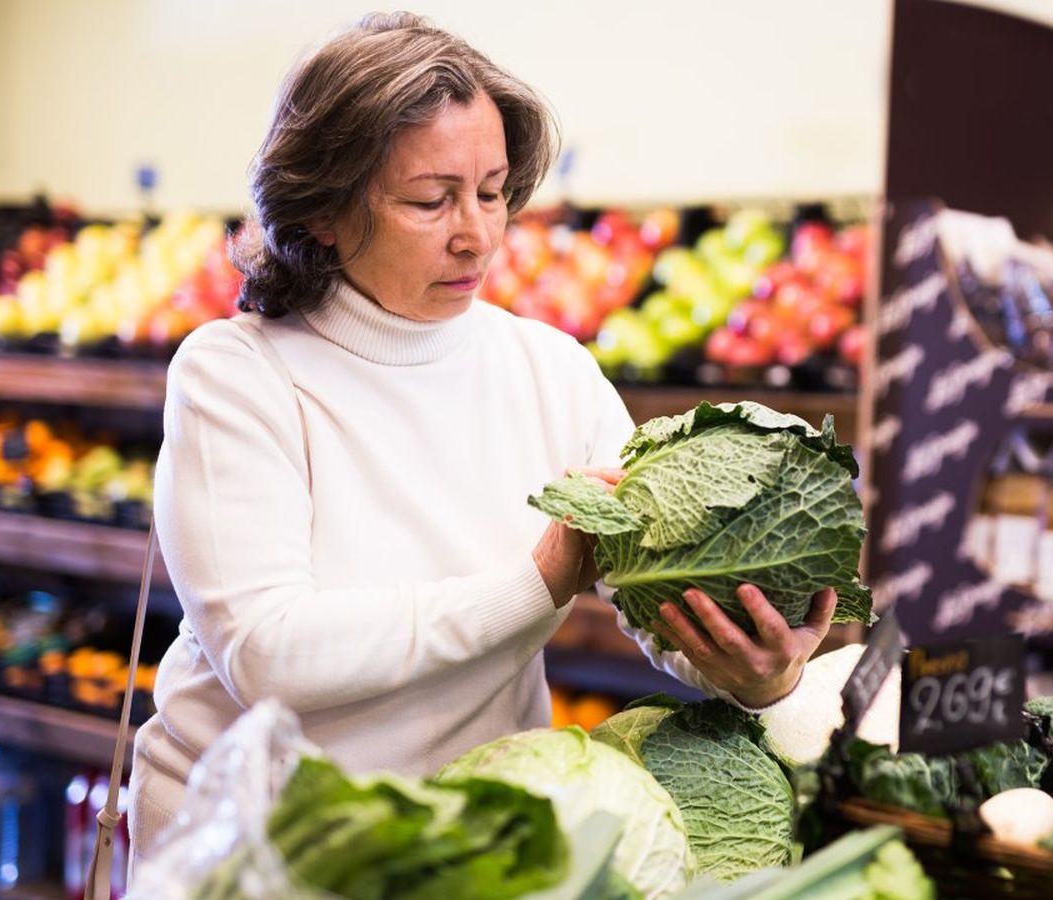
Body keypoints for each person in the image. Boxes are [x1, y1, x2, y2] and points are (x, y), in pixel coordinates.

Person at [129, 12, 838, 863]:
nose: (479, 234)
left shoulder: (549, 369)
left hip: (478, 849)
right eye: (431, 200)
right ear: (323, 209)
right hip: (260, 856)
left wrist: (751, 672)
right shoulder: (236, 376)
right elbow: (269, 654)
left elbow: (646, 595)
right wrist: (533, 584)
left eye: (494, 191)